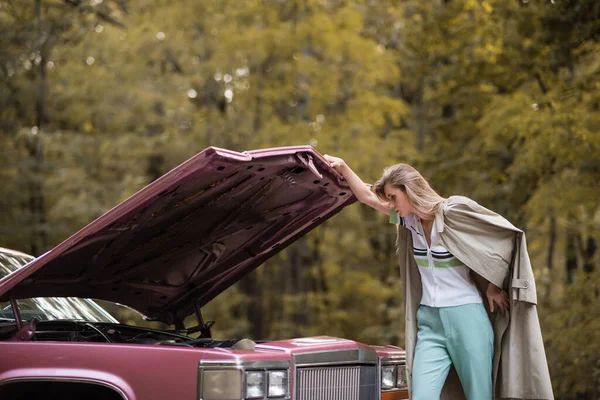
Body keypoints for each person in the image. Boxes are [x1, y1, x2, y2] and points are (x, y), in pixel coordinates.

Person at [323, 154, 554, 400]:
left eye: (393, 196)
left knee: (479, 396)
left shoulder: (454, 215)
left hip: (467, 318)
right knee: (421, 394)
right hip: (430, 322)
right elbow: (368, 197)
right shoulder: (408, 221)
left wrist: (493, 284)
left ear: (409, 190)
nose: (390, 203)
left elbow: (500, 242)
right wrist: (344, 168)